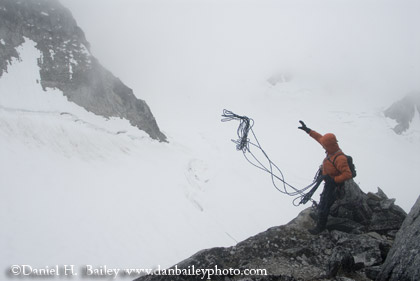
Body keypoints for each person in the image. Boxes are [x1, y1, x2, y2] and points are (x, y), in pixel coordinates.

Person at [298, 121, 353, 234]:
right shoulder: (332, 149)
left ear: (330, 145)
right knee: (324, 200)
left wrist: (333, 180)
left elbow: (348, 174)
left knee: (324, 204)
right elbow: (320, 138)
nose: (323, 146)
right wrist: (308, 130)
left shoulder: (340, 158)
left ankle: (320, 227)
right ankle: (322, 217)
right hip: (329, 182)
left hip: (334, 186)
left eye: (325, 145)